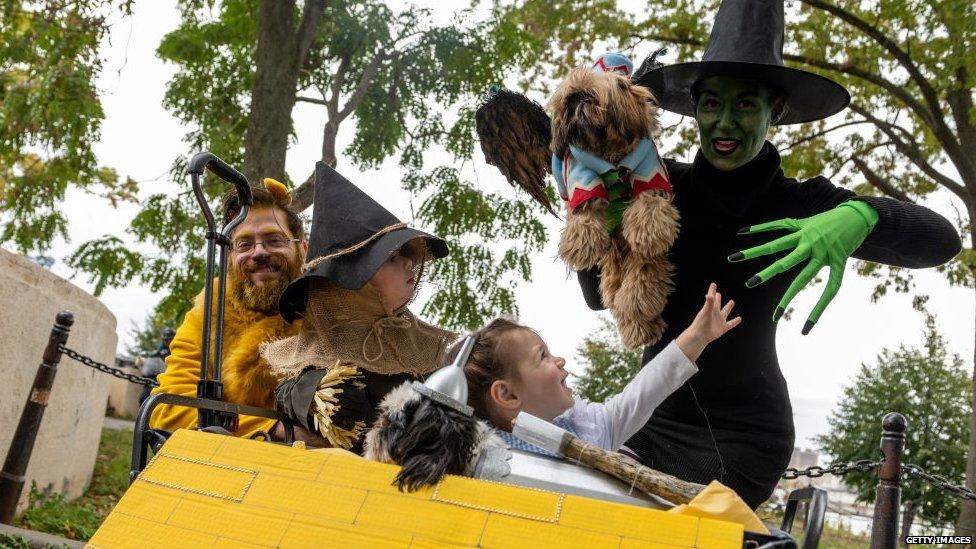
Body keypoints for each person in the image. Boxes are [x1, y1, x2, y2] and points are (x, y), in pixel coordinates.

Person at [575, 0, 962, 507]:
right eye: (711, 103)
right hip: (646, 419)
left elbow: (942, 240)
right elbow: (596, 298)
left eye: (745, 104)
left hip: (743, 440)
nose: (724, 122)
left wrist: (863, 215)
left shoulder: (804, 204)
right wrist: (594, 210)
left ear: (775, 111)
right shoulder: (657, 187)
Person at [264, 162, 455, 451]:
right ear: (349, 284)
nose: (409, 262)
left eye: (406, 254)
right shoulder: (318, 379)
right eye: (391, 257)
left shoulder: (430, 350)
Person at [463, 283, 738, 454]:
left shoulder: (585, 431)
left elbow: (638, 398)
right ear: (508, 396)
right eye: (543, 356)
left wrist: (696, 337)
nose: (559, 360)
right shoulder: (489, 469)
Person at [149, 178, 309, 438]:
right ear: (230, 256)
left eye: (274, 240)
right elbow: (169, 409)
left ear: (302, 248)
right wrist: (275, 429)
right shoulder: (210, 310)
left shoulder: (332, 311)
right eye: (244, 244)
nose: (259, 252)